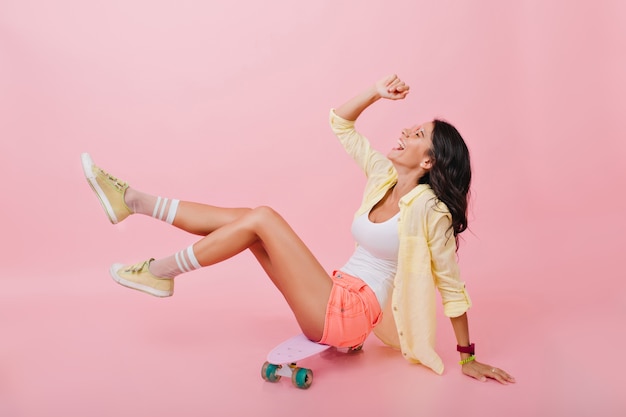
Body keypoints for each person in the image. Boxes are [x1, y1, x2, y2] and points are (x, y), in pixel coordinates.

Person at [82, 74, 514, 384]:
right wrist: (375, 93)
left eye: (417, 133)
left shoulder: (432, 213)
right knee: (250, 222)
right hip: (332, 294)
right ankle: (134, 202)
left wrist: (467, 357)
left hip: (352, 313)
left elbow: (452, 288)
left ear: (428, 162)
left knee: (263, 217)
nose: (405, 130)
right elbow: (340, 123)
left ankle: (159, 272)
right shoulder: (382, 175)